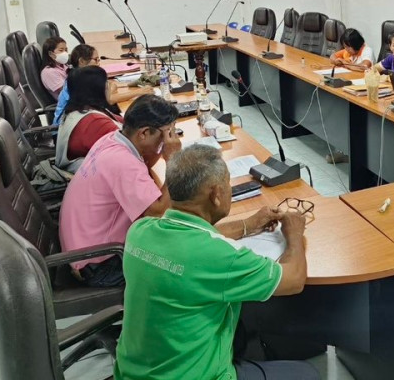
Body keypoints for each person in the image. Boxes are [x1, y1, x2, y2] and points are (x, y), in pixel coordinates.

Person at [113, 145, 319, 380]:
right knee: (307, 374)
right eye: (228, 183)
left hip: (131, 373)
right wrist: (294, 234)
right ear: (216, 194)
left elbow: (192, 237)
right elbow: (294, 280)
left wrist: (248, 225)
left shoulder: (140, 230)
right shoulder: (222, 257)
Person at [58, 95, 180, 287]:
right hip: (100, 263)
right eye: (167, 133)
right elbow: (158, 213)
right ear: (144, 133)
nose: (171, 138)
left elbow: (144, 163)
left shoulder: (112, 139)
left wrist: (161, 148)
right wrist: (173, 160)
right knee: (180, 261)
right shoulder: (123, 163)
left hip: (81, 248)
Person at [54, 44, 150, 125]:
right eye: (96, 60)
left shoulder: (79, 75)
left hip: (76, 122)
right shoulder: (80, 81)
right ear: (82, 61)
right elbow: (110, 100)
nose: (98, 64)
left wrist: (109, 91)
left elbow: (110, 87)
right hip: (66, 127)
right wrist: (140, 92)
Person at [54, 66, 123, 173]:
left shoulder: (79, 109)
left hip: (91, 172)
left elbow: (122, 121)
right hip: (94, 177)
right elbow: (131, 148)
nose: (108, 87)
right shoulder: (94, 122)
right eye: (106, 83)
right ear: (97, 89)